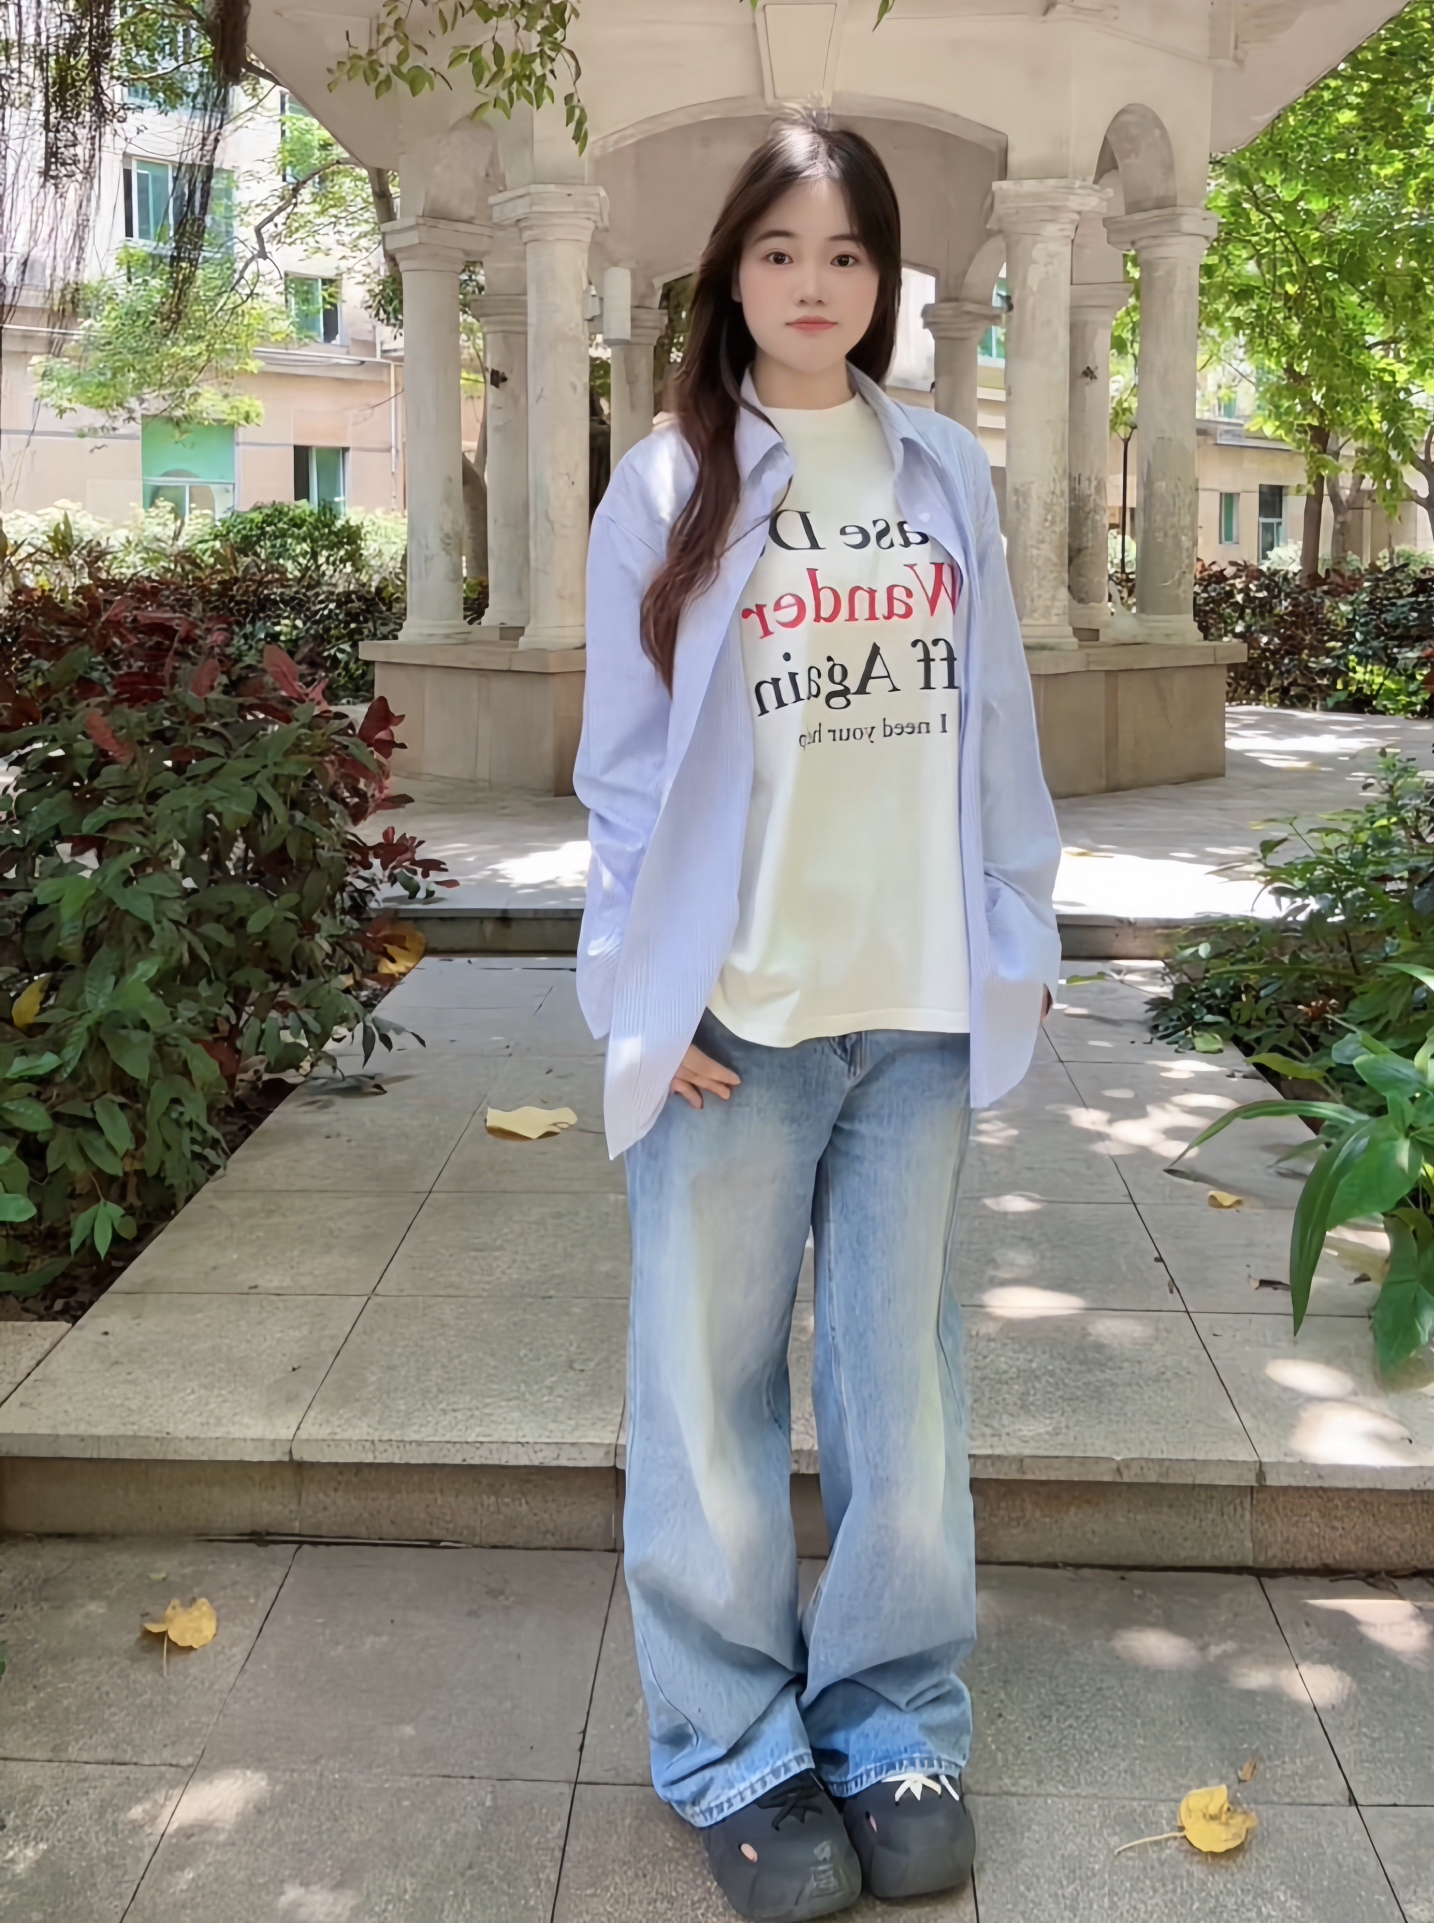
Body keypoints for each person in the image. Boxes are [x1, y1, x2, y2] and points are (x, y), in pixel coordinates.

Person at [573, 115, 1061, 1922]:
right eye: (778, 250)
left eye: (845, 253)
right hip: (738, 1016)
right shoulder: (665, 483)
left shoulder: (939, 468)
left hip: (914, 1012)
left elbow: (991, 714)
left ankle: (889, 1718)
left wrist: (1016, 923)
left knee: (896, 1387)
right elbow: (624, 771)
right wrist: (638, 991)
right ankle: (729, 1743)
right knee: (704, 1394)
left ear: (884, 278)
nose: (811, 284)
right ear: (729, 273)